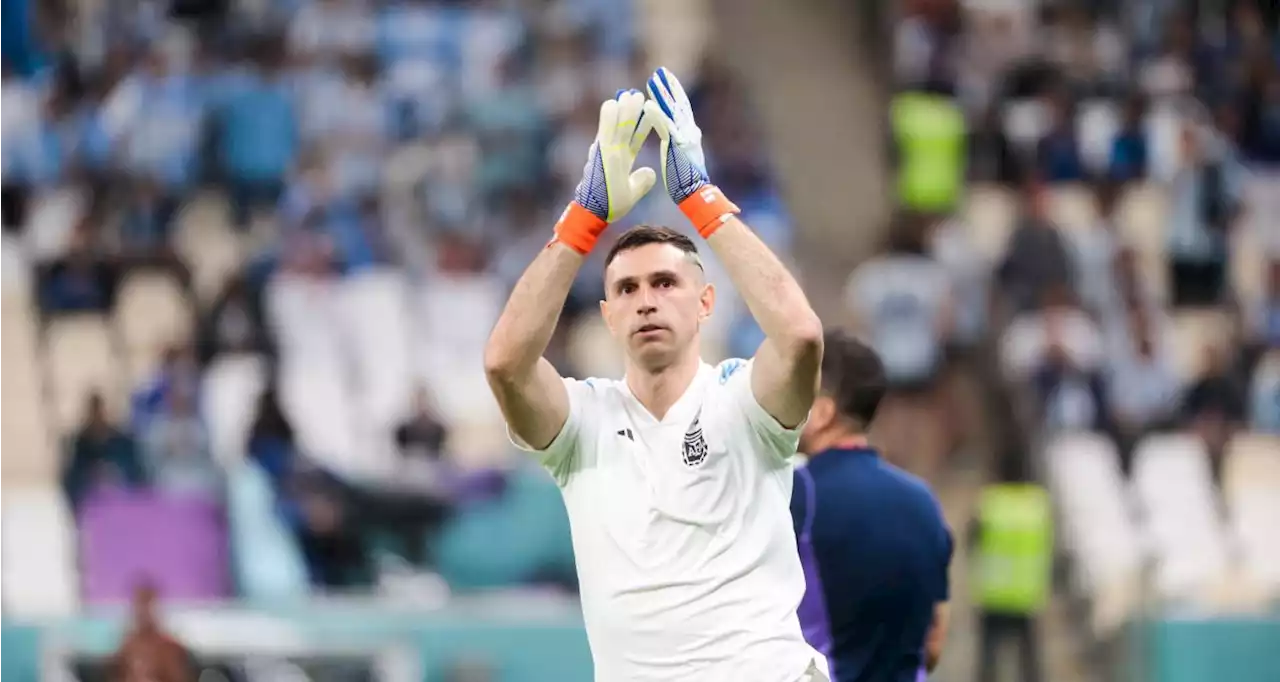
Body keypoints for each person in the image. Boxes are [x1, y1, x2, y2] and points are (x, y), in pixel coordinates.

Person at [484, 71, 827, 682]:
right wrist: (583, 220)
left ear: (704, 303)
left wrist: (700, 197)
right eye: (627, 289)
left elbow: (800, 335)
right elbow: (505, 363)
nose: (646, 300)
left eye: (666, 283)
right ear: (608, 316)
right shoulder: (583, 423)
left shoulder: (744, 400)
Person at [791, 332, 953, 682]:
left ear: (822, 413)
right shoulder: (924, 501)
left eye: (797, 392)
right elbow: (934, 642)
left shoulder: (797, 495)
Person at [970, 455, 1052, 682]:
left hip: (993, 594)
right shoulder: (1039, 504)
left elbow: (972, 541)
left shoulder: (989, 502)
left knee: (989, 660)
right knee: (1028, 662)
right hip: (1025, 595)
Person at [109, 581, 194, 682]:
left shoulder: (171, 649)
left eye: (148, 603)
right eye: (139, 604)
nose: (143, 611)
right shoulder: (126, 647)